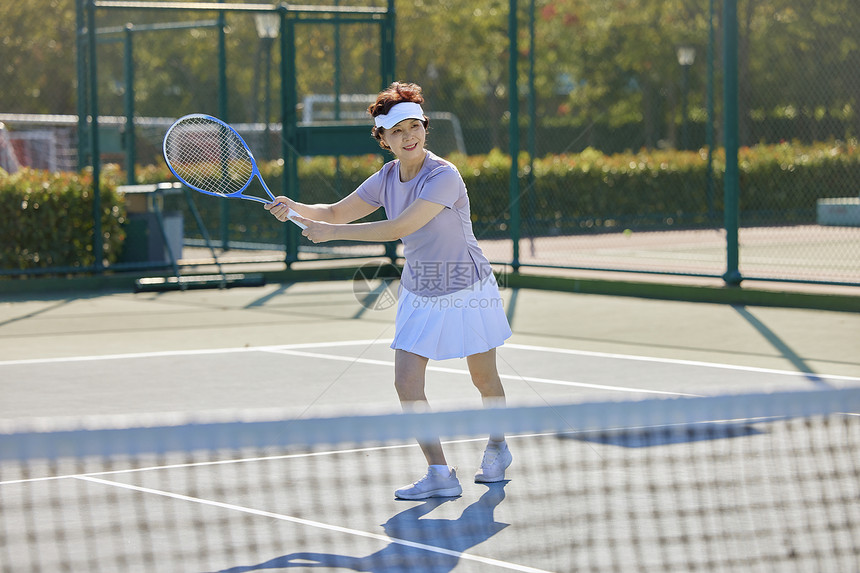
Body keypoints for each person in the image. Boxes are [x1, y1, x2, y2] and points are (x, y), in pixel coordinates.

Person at [265, 82, 512, 500]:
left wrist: (333, 233)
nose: (409, 136)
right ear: (383, 139)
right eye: (397, 131)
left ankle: (498, 446)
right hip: (420, 290)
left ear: (425, 129)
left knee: (483, 378)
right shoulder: (385, 177)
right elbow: (334, 211)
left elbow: (400, 227)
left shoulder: (444, 175)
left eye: (414, 126)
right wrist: (296, 208)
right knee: (406, 383)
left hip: (467, 287)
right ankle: (439, 473)